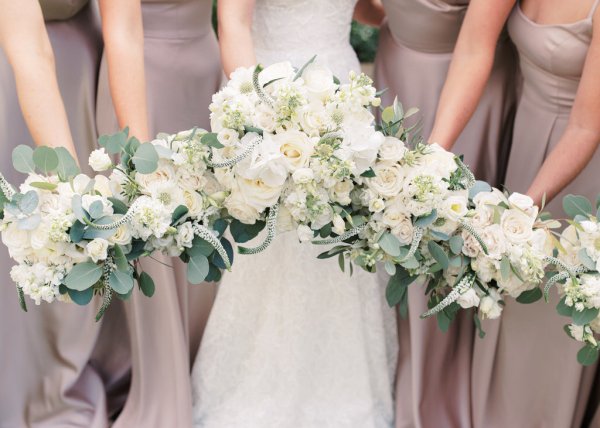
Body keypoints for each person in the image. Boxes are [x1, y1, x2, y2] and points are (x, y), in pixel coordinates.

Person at [191, 1, 397, 427]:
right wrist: (259, 121)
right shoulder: (265, 106)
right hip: (272, 91)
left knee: (343, 233)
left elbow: (370, 11)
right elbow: (233, 23)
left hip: (343, 93)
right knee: (273, 238)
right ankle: (257, 386)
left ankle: (348, 388)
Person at [430, 0, 600, 426]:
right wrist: (432, 157)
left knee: (547, 313)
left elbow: (586, 127)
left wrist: (519, 211)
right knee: (504, 300)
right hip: (522, 140)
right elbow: (473, 49)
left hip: (581, 169)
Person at [373, 1, 518, 426]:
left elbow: (475, 47)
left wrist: (431, 161)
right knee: (387, 235)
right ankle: (400, 382)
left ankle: (437, 397)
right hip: (394, 72)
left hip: (461, 92)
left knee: (446, 240)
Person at [0, 1, 128, 426]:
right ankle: (31, 389)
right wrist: (71, 188)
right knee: (32, 226)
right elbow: (29, 49)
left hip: (89, 70)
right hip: (21, 78)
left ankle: (91, 367)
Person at [96, 0, 222, 425]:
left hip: (207, 73)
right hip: (143, 80)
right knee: (153, 243)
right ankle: (164, 398)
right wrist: (140, 151)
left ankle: (202, 378)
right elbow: (121, 31)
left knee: (208, 241)